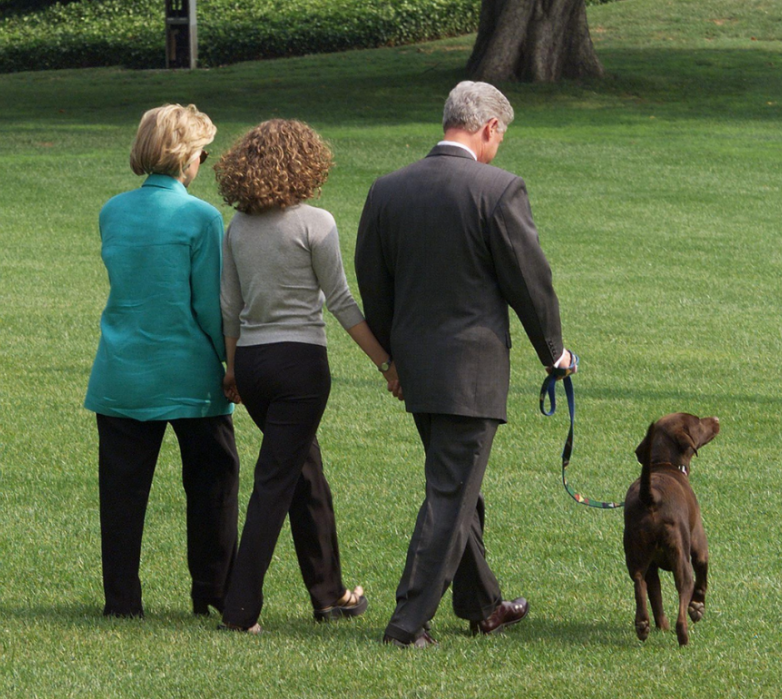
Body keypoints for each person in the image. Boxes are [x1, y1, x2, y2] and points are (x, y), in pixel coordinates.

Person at [355, 81, 576, 647]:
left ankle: (483, 604)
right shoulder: (499, 190)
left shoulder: (387, 189)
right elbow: (530, 281)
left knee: (457, 485)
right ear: (489, 129)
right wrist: (554, 352)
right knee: (452, 494)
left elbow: (372, 283)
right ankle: (407, 624)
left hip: (415, 367)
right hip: (470, 371)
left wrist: (391, 358)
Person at [215, 119, 399, 634]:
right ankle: (240, 609)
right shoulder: (316, 223)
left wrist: (232, 368)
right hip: (299, 368)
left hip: (251, 365)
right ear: (306, 164)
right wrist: (387, 365)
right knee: (275, 481)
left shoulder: (237, 227)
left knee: (303, 473)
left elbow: (230, 306)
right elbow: (340, 302)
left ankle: (330, 594)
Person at [84, 103, 239, 618]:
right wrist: (230, 364)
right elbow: (208, 306)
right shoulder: (201, 217)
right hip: (189, 375)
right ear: (187, 157)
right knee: (213, 485)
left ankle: (122, 601)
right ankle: (213, 595)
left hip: (122, 372)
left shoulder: (112, 210)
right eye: (203, 153)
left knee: (121, 496)